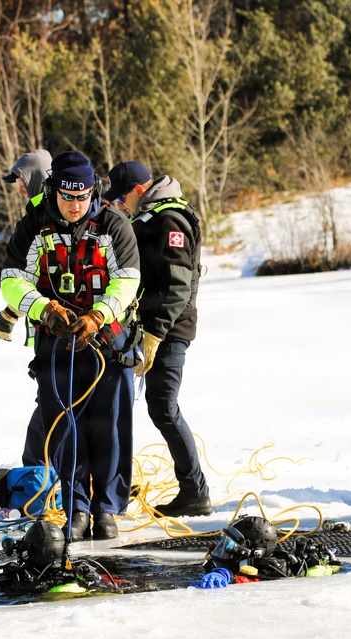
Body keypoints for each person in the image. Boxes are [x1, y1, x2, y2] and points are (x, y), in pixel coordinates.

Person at [1, 150, 141, 540]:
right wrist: (44, 310)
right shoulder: (34, 225)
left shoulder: (114, 223)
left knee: (110, 426)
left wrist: (100, 314)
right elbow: (12, 280)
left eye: (82, 197)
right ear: (52, 190)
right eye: (67, 197)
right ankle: (76, 507)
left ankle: (107, 509)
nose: (75, 205)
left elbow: (127, 279)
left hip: (109, 340)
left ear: (93, 191)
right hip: (56, 340)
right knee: (65, 428)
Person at [104, 160, 211, 518]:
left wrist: (154, 334)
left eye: (122, 198)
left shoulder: (168, 220)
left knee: (164, 405)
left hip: (170, 329)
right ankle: (116, 483)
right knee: (151, 406)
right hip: (153, 327)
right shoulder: (150, 216)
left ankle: (195, 492)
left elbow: (177, 286)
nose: (120, 205)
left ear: (137, 191)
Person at [0, 150, 52, 466]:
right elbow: (29, 276)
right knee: (51, 406)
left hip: (61, 329)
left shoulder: (45, 215)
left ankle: (37, 482)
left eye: (21, 181)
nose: (18, 188)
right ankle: (43, 481)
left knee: (51, 410)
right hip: (45, 326)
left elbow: (46, 276)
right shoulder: (36, 213)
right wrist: (12, 312)